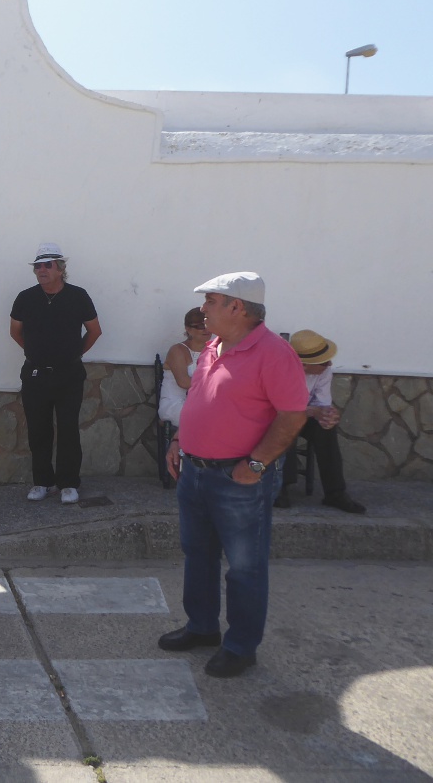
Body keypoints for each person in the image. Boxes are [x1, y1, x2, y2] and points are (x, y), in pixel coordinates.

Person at [163, 272, 308, 678]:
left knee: (244, 566)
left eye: (211, 301)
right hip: (194, 471)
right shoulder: (214, 345)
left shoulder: (275, 353)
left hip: (239, 479)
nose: (203, 308)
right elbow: (201, 400)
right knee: (199, 555)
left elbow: (293, 413)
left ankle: (241, 646)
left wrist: (258, 463)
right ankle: (202, 627)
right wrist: (180, 440)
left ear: (236, 308)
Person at [9, 242, 102, 504]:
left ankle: (69, 484)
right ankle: (43, 482)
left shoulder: (78, 296)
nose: (42, 270)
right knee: (38, 430)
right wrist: (36, 353)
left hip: (69, 375)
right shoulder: (25, 298)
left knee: (68, 429)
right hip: (35, 374)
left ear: (60, 268)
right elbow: (15, 331)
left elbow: (94, 331)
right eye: (38, 266)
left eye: (47, 265)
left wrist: (75, 354)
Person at [276, 329, 367, 514]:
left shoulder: (323, 372)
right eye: (324, 361)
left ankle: (335, 492)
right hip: (277, 418)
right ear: (305, 365)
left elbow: (322, 403)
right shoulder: (280, 370)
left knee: (326, 428)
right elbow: (277, 408)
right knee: (289, 424)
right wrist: (310, 411)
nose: (329, 363)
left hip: (305, 415)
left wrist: (328, 414)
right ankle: (280, 488)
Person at [158, 307, 209, 427]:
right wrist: (214, 385)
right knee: (210, 416)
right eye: (200, 326)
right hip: (175, 404)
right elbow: (184, 382)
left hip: (201, 403)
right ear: (188, 329)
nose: (205, 329)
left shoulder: (213, 350)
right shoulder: (177, 350)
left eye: (208, 324)